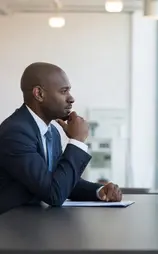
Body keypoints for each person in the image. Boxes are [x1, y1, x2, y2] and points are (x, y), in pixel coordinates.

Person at [0, 62, 122, 214]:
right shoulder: (16, 133)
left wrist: (99, 191)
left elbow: (59, 180)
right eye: (64, 91)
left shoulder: (52, 132)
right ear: (39, 94)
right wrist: (77, 141)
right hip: (9, 226)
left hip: (31, 222)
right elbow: (54, 193)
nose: (71, 99)